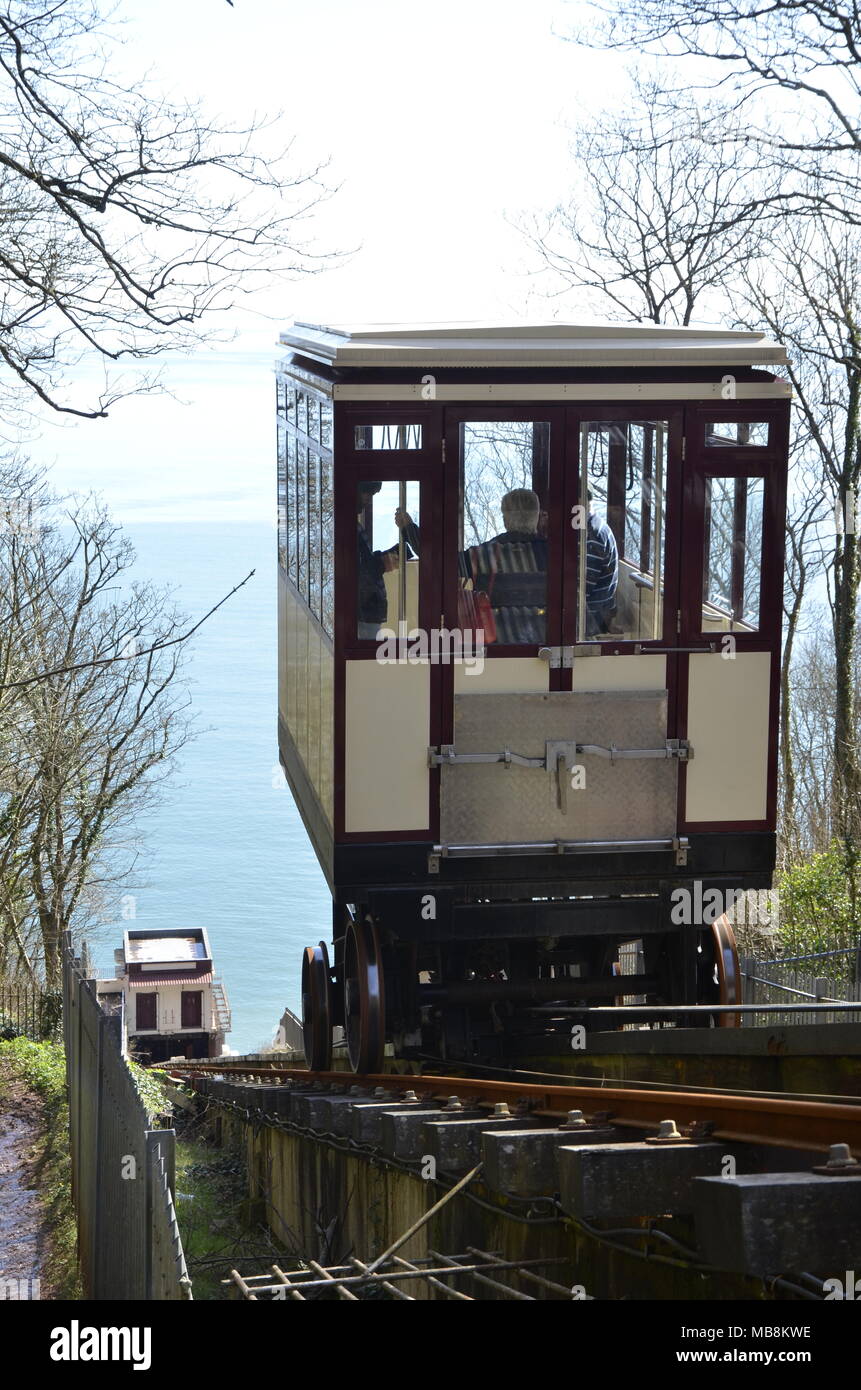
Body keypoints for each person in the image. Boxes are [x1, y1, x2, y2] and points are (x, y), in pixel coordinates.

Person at [395, 488, 547, 644]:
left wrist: (409, 529)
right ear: (536, 517)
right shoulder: (551, 554)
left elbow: (439, 560)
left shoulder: (486, 554)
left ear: (505, 519)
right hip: (544, 644)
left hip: (497, 648)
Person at [585, 492, 619, 636]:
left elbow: (582, 589)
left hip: (591, 622)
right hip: (600, 612)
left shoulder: (591, 535)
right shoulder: (597, 524)